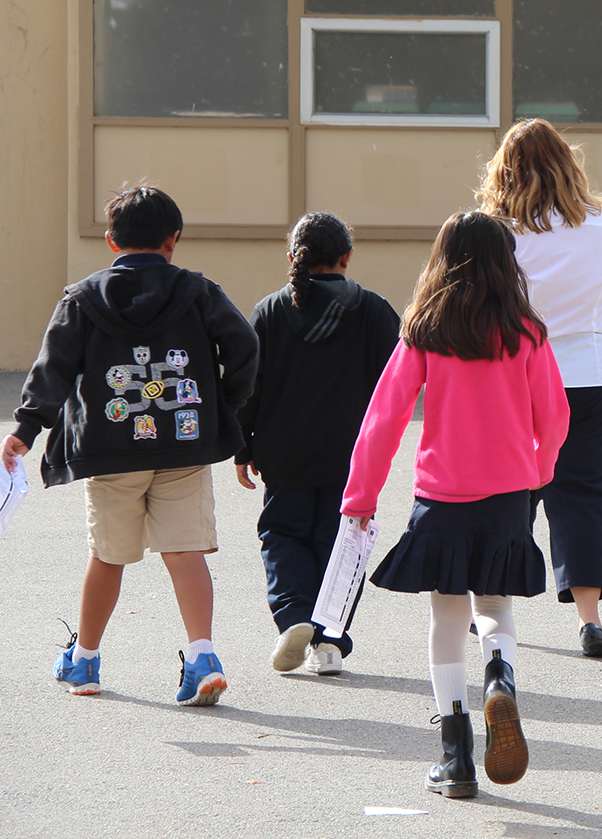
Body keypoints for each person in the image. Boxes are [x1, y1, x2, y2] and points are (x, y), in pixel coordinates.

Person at [342, 212, 570, 798]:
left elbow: (383, 420)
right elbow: (557, 415)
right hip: (506, 495)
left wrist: (360, 497)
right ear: (505, 261)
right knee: (494, 605)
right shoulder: (526, 331)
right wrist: (537, 473)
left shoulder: (424, 330)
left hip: (441, 497)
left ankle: (456, 757)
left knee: (447, 618)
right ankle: (500, 675)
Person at [1, 185, 258, 703]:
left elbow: (53, 366)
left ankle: (86, 662)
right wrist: (224, 404)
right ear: (174, 239)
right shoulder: (198, 290)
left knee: (108, 556)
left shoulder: (82, 297)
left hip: (110, 448)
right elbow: (245, 345)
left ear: (111, 240)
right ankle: (203, 655)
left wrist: (26, 429)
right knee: (185, 552)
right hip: (185, 443)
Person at [478, 118, 602, 659]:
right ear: (569, 164)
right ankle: (590, 619)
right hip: (590, 372)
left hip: (516, 375)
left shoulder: (495, 232)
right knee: (584, 493)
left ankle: (493, 604)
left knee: (507, 487)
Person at [236, 212, 400, 677]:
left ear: (293, 258)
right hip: (353, 458)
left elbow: (249, 385)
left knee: (283, 535)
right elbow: (397, 386)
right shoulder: (372, 310)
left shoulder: (270, 311)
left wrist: (243, 446)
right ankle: (329, 644)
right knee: (343, 544)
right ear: (347, 257)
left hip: (283, 454)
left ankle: (293, 618)